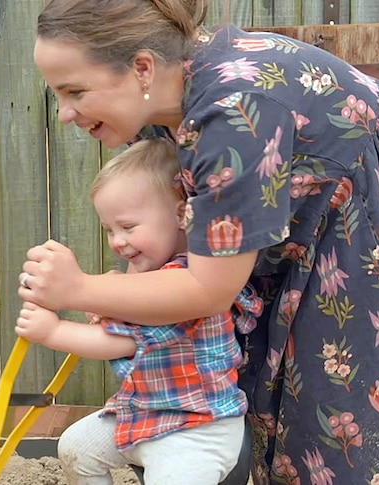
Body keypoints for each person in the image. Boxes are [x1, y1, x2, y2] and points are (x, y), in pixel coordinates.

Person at [19, 1, 379, 483]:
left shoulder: (231, 115)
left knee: (351, 409)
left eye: (74, 91)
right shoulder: (161, 105)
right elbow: (184, 260)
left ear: (142, 68)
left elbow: (208, 290)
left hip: (367, 207)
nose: (65, 113)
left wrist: (78, 291)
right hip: (306, 215)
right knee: (281, 398)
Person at [15, 138, 258, 485]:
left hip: (197, 430)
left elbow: (119, 342)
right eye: (110, 230)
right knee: (76, 446)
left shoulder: (181, 283)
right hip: (145, 413)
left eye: (128, 227)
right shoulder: (145, 277)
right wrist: (101, 304)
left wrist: (53, 331)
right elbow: (119, 312)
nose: (117, 241)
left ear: (179, 215)